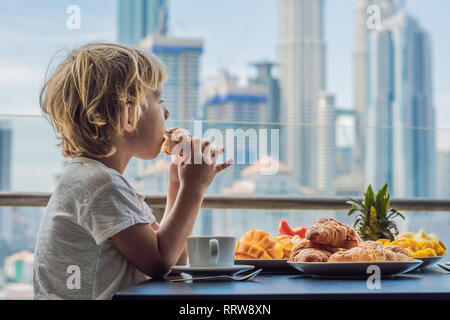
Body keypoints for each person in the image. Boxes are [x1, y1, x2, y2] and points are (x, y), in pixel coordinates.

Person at [33, 43, 232, 299]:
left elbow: (174, 257)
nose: (167, 112)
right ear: (128, 115)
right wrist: (194, 189)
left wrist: (178, 185)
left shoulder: (102, 181)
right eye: (159, 100)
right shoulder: (101, 185)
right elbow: (159, 263)